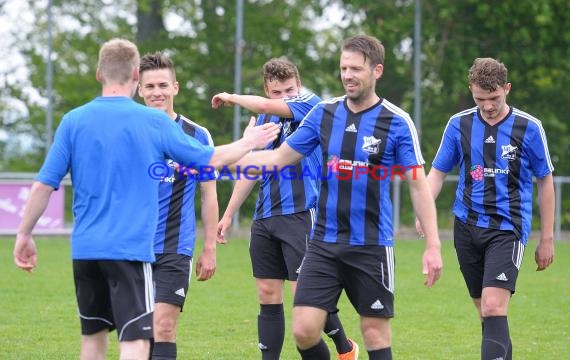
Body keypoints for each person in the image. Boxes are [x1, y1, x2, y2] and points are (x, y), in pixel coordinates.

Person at [12, 38, 279, 360]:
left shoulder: (73, 120)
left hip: (87, 250)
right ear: (136, 77)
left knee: (94, 341)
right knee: (136, 342)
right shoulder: (150, 121)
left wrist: (24, 233)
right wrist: (249, 141)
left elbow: (43, 185)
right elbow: (210, 160)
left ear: (99, 74)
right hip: (131, 250)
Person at [228, 35, 443, 360]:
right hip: (324, 245)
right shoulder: (324, 114)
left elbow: (417, 185)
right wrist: (217, 157)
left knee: (374, 333)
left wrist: (434, 245)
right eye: (344, 68)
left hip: (370, 244)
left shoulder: (396, 121)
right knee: (304, 329)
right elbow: (275, 159)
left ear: (377, 70)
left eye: (356, 68)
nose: (348, 75)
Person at [212, 58, 358, 359]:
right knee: (267, 294)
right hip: (265, 218)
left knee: (304, 297)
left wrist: (231, 97)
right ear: (267, 89)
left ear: (299, 85)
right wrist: (228, 214)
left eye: (289, 89)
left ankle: (344, 348)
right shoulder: (264, 123)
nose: (285, 97)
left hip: (302, 213)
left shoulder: (310, 105)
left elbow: (267, 107)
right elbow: (250, 170)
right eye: (276, 92)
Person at [416, 57, 555, 360]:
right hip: (466, 227)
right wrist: (422, 210)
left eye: (494, 98)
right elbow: (438, 171)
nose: (488, 105)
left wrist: (546, 238)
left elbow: (545, 181)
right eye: (481, 98)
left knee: (493, 306)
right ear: (471, 90)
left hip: (507, 228)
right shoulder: (459, 124)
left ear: (507, 88)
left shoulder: (529, 127)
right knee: (487, 313)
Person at [138, 51, 219, 360]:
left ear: (175, 87)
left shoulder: (197, 135)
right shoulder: (131, 132)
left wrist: (209, 248)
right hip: (133, 244)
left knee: (164, 325)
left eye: (163, 85)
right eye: (150, 87)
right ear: (139, 90)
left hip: (175, 247)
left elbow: (208, 194)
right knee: (138, 329)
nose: (157, 92)